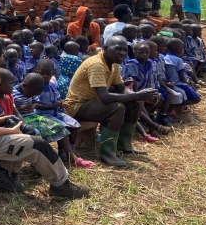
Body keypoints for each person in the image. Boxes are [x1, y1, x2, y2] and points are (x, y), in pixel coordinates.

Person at [0, 37, 89, 197]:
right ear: (1, 57)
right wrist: (12, 131)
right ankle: (61, 185)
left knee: (14, 123)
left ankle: (1, 174)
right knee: (37, 145)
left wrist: (1, 121)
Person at [63, 36, 161, 167]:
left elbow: (122, 89)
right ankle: (107, 153)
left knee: (136, 103)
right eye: (118, 49)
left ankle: (123, 144)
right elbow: (105, 97)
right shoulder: (97, 64)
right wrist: (137, 94)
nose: (122, 53)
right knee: (117, 107)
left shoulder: (113, 64)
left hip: (93, 103)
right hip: (76, 106)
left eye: (125, 50)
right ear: (105, 49)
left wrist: (142, 96)